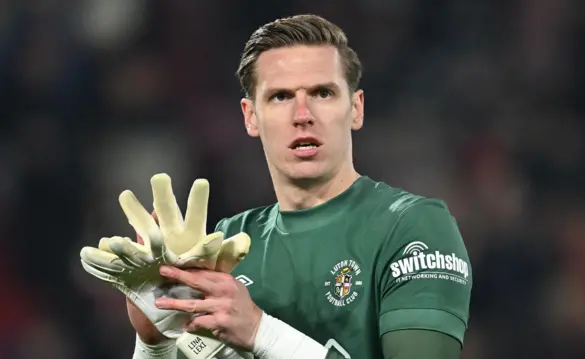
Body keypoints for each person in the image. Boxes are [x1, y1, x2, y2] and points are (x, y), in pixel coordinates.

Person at [130, 14, 472, 359]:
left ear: (356, 108)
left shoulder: (413, 228)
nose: (302, 114)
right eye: (280, 97)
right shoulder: (230, 247)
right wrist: (154, 343)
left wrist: (261, 332)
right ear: (250, 116)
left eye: (323, 93)